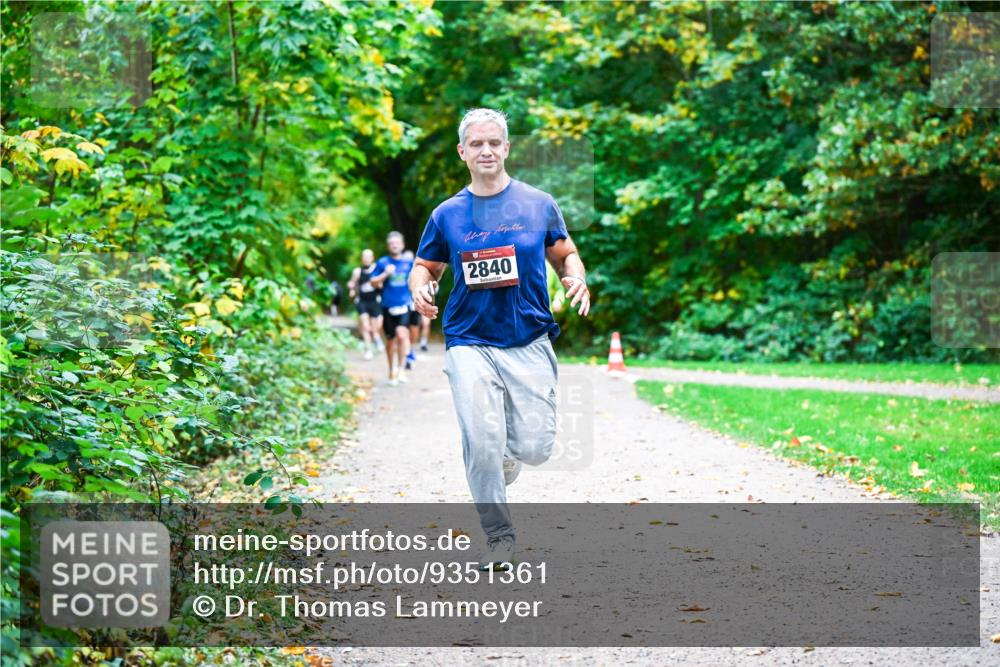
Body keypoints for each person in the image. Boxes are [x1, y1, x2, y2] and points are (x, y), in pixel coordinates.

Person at [409, 108, 590, 570]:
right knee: (480, 435)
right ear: (462, 152)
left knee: (535, 447)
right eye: (476, 144)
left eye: (494, 143)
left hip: (529, 337)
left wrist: (576, 278)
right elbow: (426, 266)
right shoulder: (447, 214)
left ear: (506, 148)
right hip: (469, 339)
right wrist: (420, 287)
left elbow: (565, 253)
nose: (486, 151)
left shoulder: (537, 203)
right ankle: (499, 536)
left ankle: (506, 459)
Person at [371, 232, 415, 385]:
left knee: (402, 335)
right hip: (387, 306)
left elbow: (418, 279)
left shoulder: (409, 263)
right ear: (388, 246)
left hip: (405, 304)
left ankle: (402, 369)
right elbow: (373, 283)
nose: (394, 245)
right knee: (390, 341)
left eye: (397, 243)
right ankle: (391, 370)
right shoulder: (382, 262)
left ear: (402, 245)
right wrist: (385, 274)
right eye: (391, 243)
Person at [347, 249, 384, 360]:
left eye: (368, 256)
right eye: (364, 256)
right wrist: (351, 289)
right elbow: (352, 283)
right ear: (362, 258)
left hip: (374, 301)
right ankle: (368, 350)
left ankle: (376, 338)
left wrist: (377, 284)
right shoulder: (357, 271)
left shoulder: (377, 270)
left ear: (372, 258)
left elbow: (382, 285)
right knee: (365, 325)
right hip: (362, 301)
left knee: (375, 327)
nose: (366, 258)